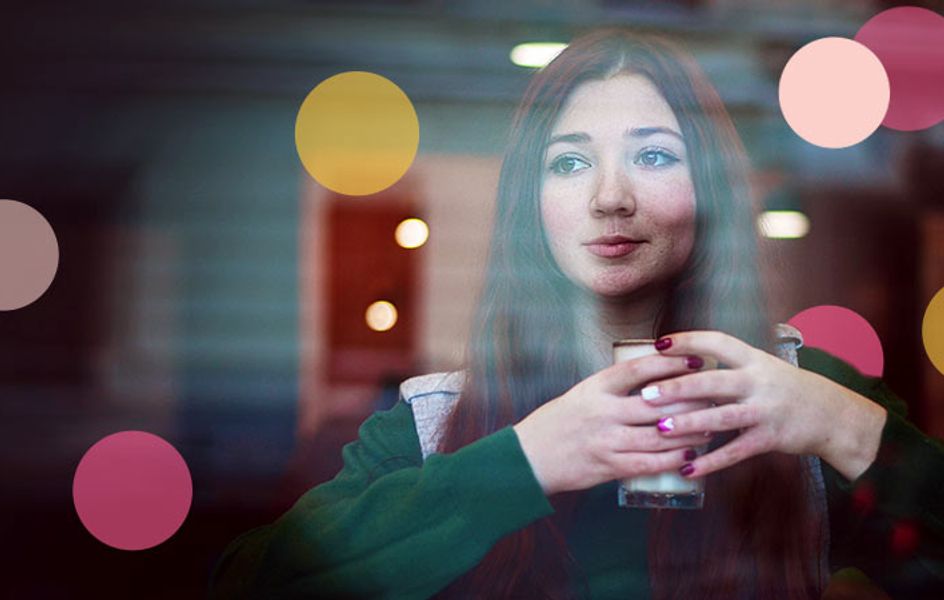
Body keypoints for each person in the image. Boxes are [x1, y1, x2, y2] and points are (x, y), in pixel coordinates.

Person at [208, 29, 944, 598]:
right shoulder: (438, 424)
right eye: (569, 162)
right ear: (532, 204)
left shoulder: (794, 388)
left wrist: (841, 426)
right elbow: (249, 583)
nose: (609, 197)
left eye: (655, 156)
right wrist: (525, 461)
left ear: (710, 192)